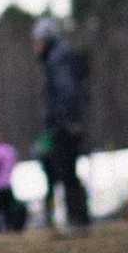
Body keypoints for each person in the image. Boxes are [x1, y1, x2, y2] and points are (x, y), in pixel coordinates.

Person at [33, 16, 92, 231]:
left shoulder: (58, 59)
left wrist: (67, 121)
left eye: (38, 41)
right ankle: (78, 218)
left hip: (64, 126)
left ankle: (78, 220)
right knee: (67, 172)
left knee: (67, 172)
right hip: (66, 123)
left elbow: (66, 91)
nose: (35, 47)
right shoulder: (61, 56)